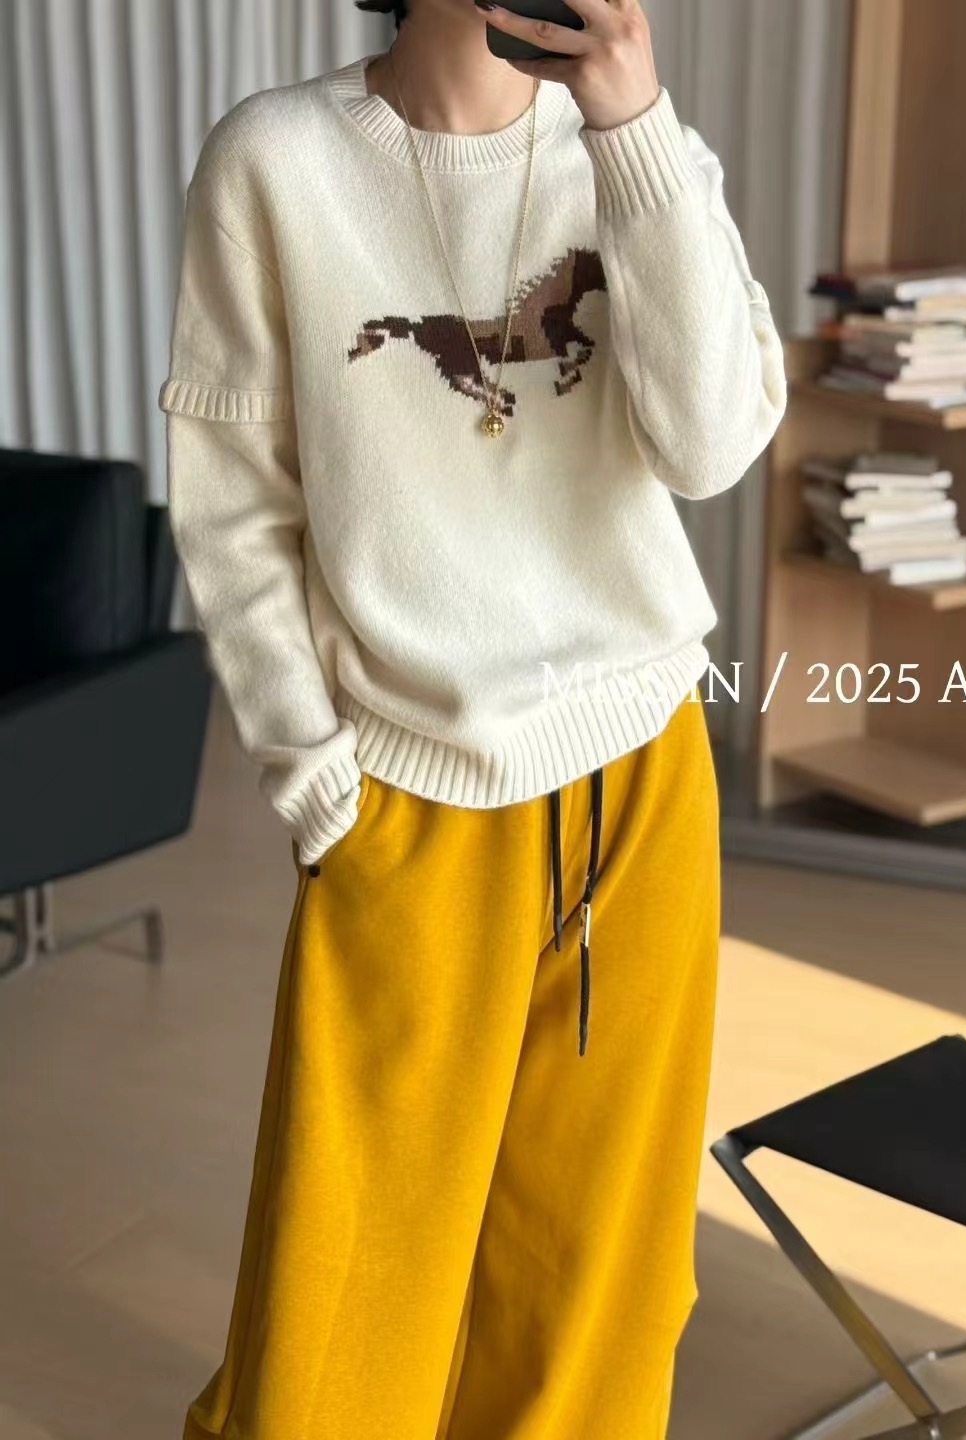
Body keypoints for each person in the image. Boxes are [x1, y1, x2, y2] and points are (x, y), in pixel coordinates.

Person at [159, 0, 786, 1433]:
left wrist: (634, 129)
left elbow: (708, 448)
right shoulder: (277, 160)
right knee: (344, 1286)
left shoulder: (640, 151)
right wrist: (315, 775)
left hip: (642, 784)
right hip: (411, 800)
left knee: (598, 1282)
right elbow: (237, 499)